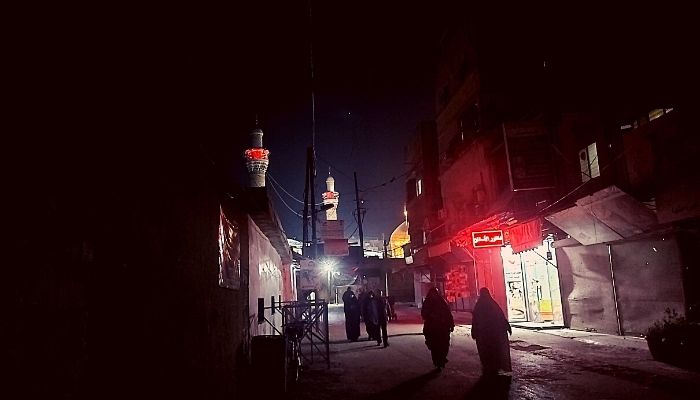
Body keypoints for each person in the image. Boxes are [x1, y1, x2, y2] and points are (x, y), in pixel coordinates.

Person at [472, 287, 512, 376]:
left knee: (486, 351)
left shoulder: (479, 305)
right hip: (493, 334)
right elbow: (501, 316)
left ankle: (489, 367)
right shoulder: (493, 304)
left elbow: (475, 320)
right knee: (495, 350)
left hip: (484, 335)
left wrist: (474, 331)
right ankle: (495, 367)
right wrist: (507, 327)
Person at [421, 287, 454, 370]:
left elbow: (448, 313)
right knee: (435, 347)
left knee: (444, 344)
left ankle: (442, 359)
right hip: (432, 329)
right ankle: (437, 362)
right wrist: (431, 315)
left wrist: (451, 324)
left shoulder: (442, 302)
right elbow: (424, 314)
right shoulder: (427, 302)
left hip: (443, 328)